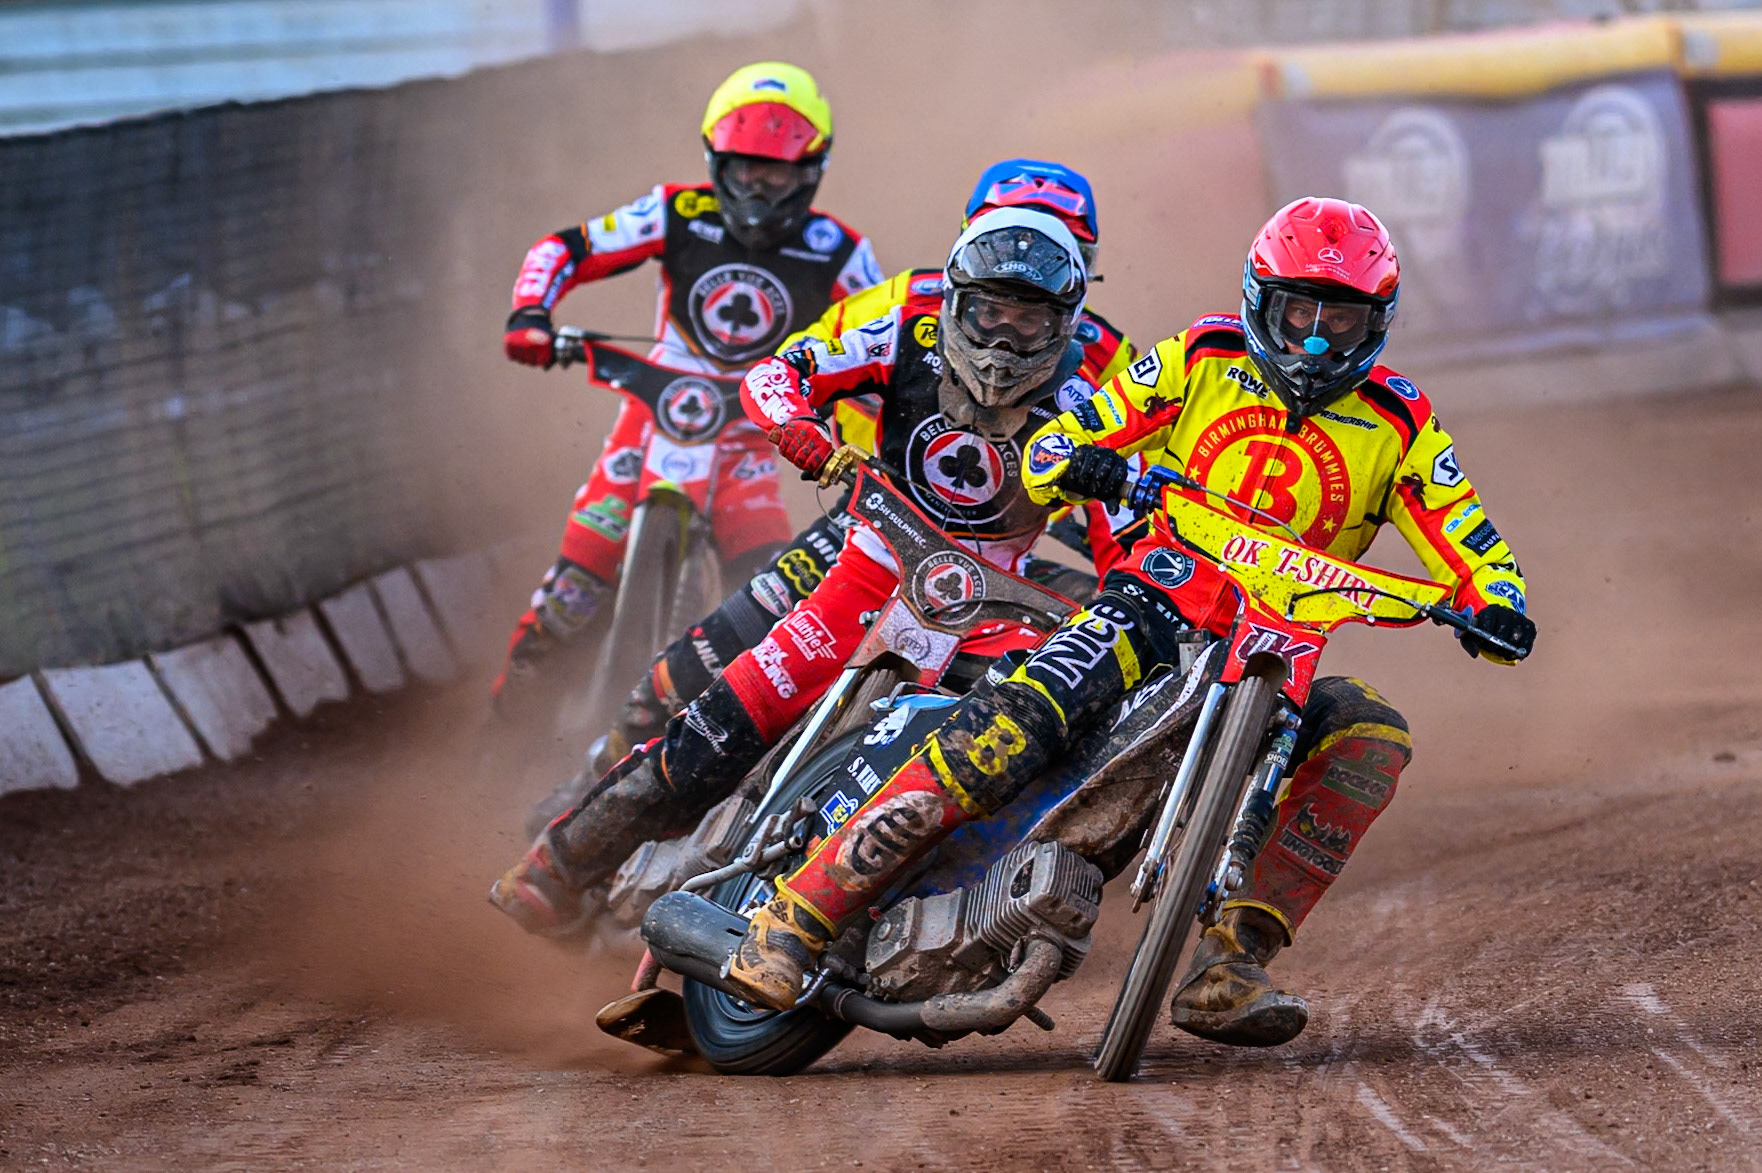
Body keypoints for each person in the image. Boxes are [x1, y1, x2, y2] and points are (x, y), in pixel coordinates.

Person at [719, 197, 1538, 1046]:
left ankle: (1231, 960)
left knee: (1370, 734)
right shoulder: (1203, 355)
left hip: (1279, 645)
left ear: (1379, 323)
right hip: (1156, 600)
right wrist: (1090, 464)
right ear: (1264, 301)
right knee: (1010, 727)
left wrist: (1498, 602)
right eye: (1300, 312)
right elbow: (1057, 444)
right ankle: (800, 914)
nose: (1317, 340)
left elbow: (1468, 531)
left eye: (1342, 318)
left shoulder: (1400, 422)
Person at [491, 208, 1111, 935]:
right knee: (727, 718)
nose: (1003, 339)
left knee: (999, 759)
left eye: (1028, 322)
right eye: (988, 312)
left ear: (1066, 322)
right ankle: (557, 865)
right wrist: (802, 432)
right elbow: (778, 374)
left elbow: (1123, 529)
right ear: (953, 299)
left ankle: (909, 925)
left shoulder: (1094, 396)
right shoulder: (903, 331)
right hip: (870, 568)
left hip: (991, 610)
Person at [565, 159, 1136, 795]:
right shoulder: (906, 301)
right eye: (1006, 236)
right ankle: (598, 775)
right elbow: (799, 364)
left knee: (1085, 670)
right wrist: (829, 430)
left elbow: (1123, 496)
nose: (1026, 258)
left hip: (994, 560)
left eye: (1057, 246)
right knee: (710, 651)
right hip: (867, 515)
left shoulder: (1112, 358)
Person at [490, 62, 882, 717]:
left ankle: (729, 756)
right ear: (714, 164)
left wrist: (864, 439)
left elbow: (881, 349)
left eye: (775, 172)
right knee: (568, 597)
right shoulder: (676, 211)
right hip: (649, 421)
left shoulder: (839, 251)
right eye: (742, 169)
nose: (756, 189)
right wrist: (531, 312)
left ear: (810, 171)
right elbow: (568, 247)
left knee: (761, 603)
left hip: (753, 442)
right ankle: (498, 744)